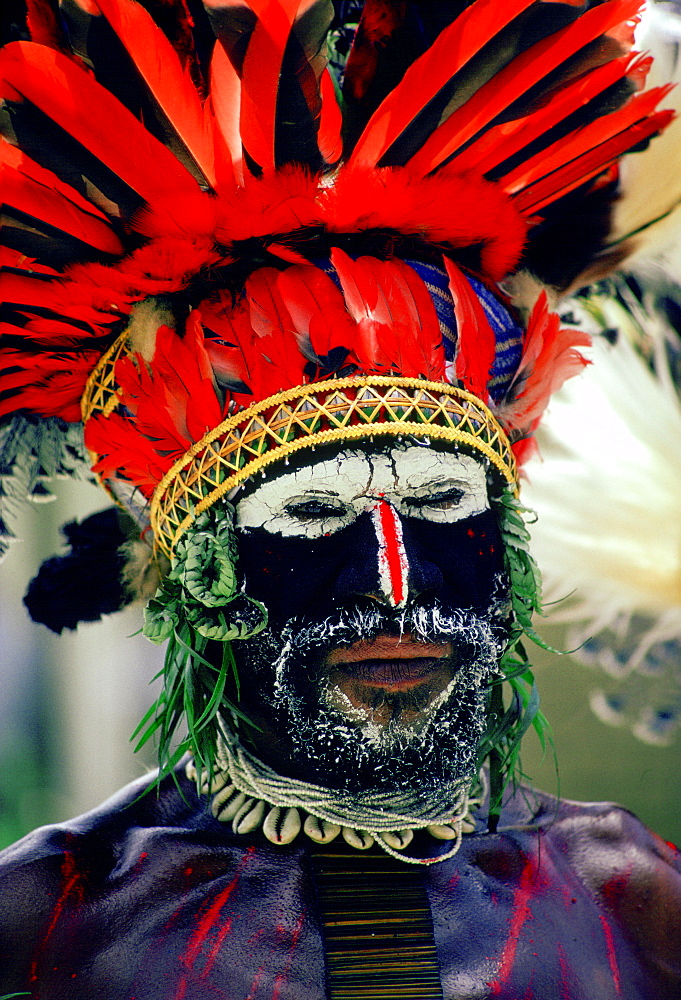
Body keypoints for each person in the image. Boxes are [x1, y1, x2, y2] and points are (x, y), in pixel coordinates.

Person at [0, 1, 680, 997]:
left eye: (446, 501)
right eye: (316, 513)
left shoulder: (636, 903)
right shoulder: (46, 926)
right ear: (200, 563)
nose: (396, 583)